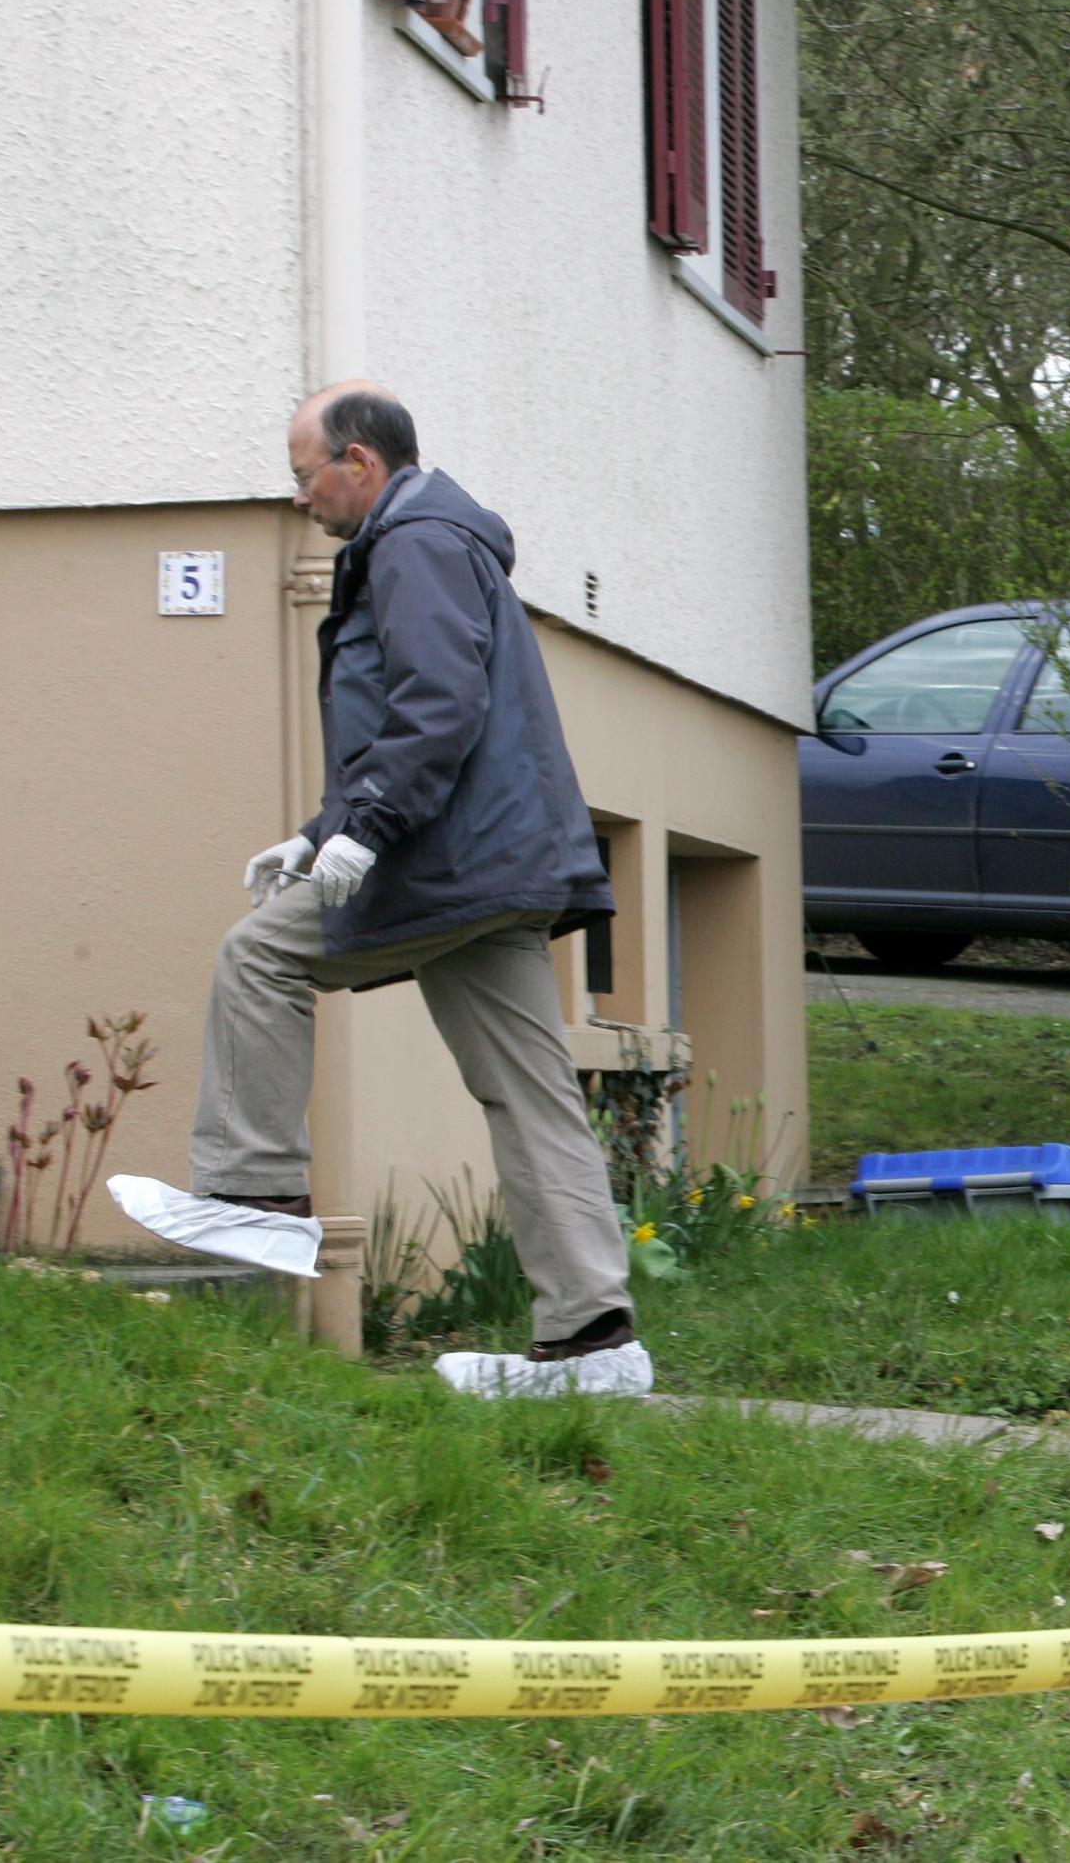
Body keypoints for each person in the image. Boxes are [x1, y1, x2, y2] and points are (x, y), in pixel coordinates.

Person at [108, 384, 646, 1399]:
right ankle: (596, 1339)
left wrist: (367, 828)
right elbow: (420, 717)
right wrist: (319, 834)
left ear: (358, 462)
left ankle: (252, 1194)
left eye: (303, 471)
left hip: (449, 859)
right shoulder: (431, 541)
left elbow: (437, 704)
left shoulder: (415, 544)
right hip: (496, 864)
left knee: (258, 954)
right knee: (531, 1096)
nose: (299, 493)